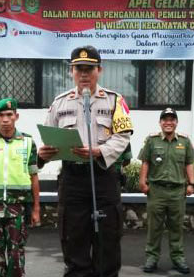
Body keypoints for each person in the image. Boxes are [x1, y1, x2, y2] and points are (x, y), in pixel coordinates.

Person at [37, 46, 133, 277]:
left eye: (89, 68)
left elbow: (122, 137)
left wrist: (99, 151)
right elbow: (49, 137)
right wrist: (43, 155)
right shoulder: (59, 103)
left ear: (99, 70)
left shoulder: (114, 101)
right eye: (79, 68)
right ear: (72, 71)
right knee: (73, 237)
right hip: (73, 180)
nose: (84, 74)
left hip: (103, 177)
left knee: (108, 239)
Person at [0, 98, 41, 277]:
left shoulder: (27, 142)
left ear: (16, 116)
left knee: (16, 257)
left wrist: (36, 209)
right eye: (1, 115)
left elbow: (34, 177)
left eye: (9, 115)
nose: (5, 119)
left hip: (17, 210)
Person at [138, 108, 194, 274]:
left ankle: (178, 258)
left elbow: (189, 163)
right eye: (165, 119)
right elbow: (145, 162)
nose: (168, 122)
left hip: (177, 191)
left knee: (176, 227)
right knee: (154, 227)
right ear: (160, 122)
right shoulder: (152, 141)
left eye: (172, 119)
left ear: (176, 122)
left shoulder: (184, 142)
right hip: (156, 191)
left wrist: (192, 183)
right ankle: (151, 258)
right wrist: (143, 181)